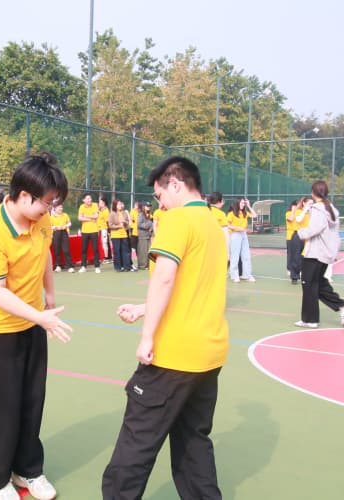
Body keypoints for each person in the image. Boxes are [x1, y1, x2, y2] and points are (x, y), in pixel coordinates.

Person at [102, 156, 228, 500]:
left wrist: (146, 337)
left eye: (160, 196)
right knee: (193, 443)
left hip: (173, 355)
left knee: (137, 442)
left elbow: (165, 279)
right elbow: (192, 286)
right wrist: (145, 309)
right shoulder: (213, 224)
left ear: (176, 184)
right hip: (208, 353)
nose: (160, 204)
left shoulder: (178, 219)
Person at [0, 152, 72, 500]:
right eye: (47, 202)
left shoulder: (40, 220)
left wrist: (49, 296)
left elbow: (45, 256)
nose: (50, 209)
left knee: (30, 399)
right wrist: (39, 317)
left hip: (32, 321)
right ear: (24, 196)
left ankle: (28, 469)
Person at [295, 180, 344, 328]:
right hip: (325, 252)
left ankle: (310, 320)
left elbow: (314, 229)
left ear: (313, 192)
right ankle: (342, 307)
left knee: (308, 285)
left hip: (315, 252)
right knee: (318, 283)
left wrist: (300, 232)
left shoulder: (318, 209)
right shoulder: (331, 208)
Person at [227, 197, 257, 283]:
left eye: (244, 203)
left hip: (244, 235)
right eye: (241, 203)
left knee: (246, 255)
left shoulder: (245, 213)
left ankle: (247, 275)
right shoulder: (231, 214)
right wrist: (237, 228)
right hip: (235, 235)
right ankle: (234, 276)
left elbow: (255, 215)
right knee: (235, 256)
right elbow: (227, 225)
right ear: (237, 203)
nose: (243, 204)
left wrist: (249, 206)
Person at [108, 199, 134, 272]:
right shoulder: (112, 214)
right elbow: (110, 225)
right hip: (115, 235)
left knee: (125, 251)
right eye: (118, 204)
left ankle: (127, 266)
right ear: (115, 205)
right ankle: (118, 267)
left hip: (124, 234)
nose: (120, 206)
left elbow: (128, 224)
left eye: (120, 204)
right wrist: (118, 226)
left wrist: (125, 222)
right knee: (117, 251)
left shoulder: (124, 213)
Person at [78, 193, 101, 273]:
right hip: (85, 231)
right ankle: (83, 266)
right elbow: (80, 218)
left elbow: (96, 216)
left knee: (95, 249)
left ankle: (97, 267)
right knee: (84, 249)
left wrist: (85, 216)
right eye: (87, 198)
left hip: (94, 230)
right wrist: (90, 218)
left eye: (90, 198)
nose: (89, 200)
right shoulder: (81, 207)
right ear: (83, 200)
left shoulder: (95, 205)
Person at [285, 199, 305, 284]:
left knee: (301, 256)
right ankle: (291, 270)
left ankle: (298, 270)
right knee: (291, 255)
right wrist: (293, 210)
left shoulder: (302, 212)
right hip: (291, 236)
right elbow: (291, 219)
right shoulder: (289, 213)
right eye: (297, 204)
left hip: (303, 236)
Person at [50, 203, 74, 272]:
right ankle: (58, 266)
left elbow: (69, 223)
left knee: (66, 250)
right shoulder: (52, 217)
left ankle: (70, 266)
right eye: (59, 207)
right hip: (56, 233)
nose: (61, 209)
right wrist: (55, 227)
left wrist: (65, 226)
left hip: (64, 232)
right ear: (55, 209)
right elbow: (49, 226)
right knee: (56, 250)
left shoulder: (65, 215)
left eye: (61, 207)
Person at [207, 192, 230, 261]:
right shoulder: (221, 214)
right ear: (220, 201)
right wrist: (228, 253)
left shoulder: (204, 211)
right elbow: (226, 235)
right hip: (217, 246)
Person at [136, 202, 153, 270]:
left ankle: (147, 265)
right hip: (142, 236)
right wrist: (149, 224)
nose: (149, 207)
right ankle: (142, 265)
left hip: (148, 235)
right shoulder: (141, 214)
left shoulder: (149, 214)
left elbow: (152, 224)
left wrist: (151, 228)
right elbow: (139, 224)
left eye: (149, 206)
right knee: (142, 251)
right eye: (147, 206)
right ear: (143, 207)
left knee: (148, 251)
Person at [98, 197, 112, 263]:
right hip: (99, 228)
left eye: (100, 202)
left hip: (104, 229)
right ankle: (107, 257)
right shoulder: (99, 210)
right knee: (103, 243)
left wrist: (108, 231)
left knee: (105, 242)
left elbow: (107, 221)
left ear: (104, 203)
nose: (99, 203)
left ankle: (107, 258)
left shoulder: (106, 211)